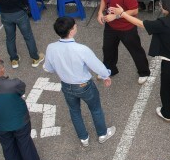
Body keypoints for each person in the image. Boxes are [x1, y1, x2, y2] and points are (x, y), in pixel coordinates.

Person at [111, 0, 170, 121]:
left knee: (168, 90)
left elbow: (141, 24)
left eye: (161, 5)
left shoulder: (163, 23)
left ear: (167, 7)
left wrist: (122, 13)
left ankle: (167, 113)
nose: (160, 6)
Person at [42, 16, 116, 147]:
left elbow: (49, 68)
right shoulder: (81, 49)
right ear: (71, 31)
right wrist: (106, 75)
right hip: (84, 85)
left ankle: (84, 138)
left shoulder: (51, 48)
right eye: (74, 25)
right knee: (95, 109)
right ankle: (102, 134)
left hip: (66, 86)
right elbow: (97, 66)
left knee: (74, 111)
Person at [98, 0, 151, 83]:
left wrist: (116, 16)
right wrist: (100, 12)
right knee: (108, 49)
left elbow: (135, 10)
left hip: (127, 27)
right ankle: (109, 70)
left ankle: (144, 72)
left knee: (135, 50)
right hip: (110, 25)